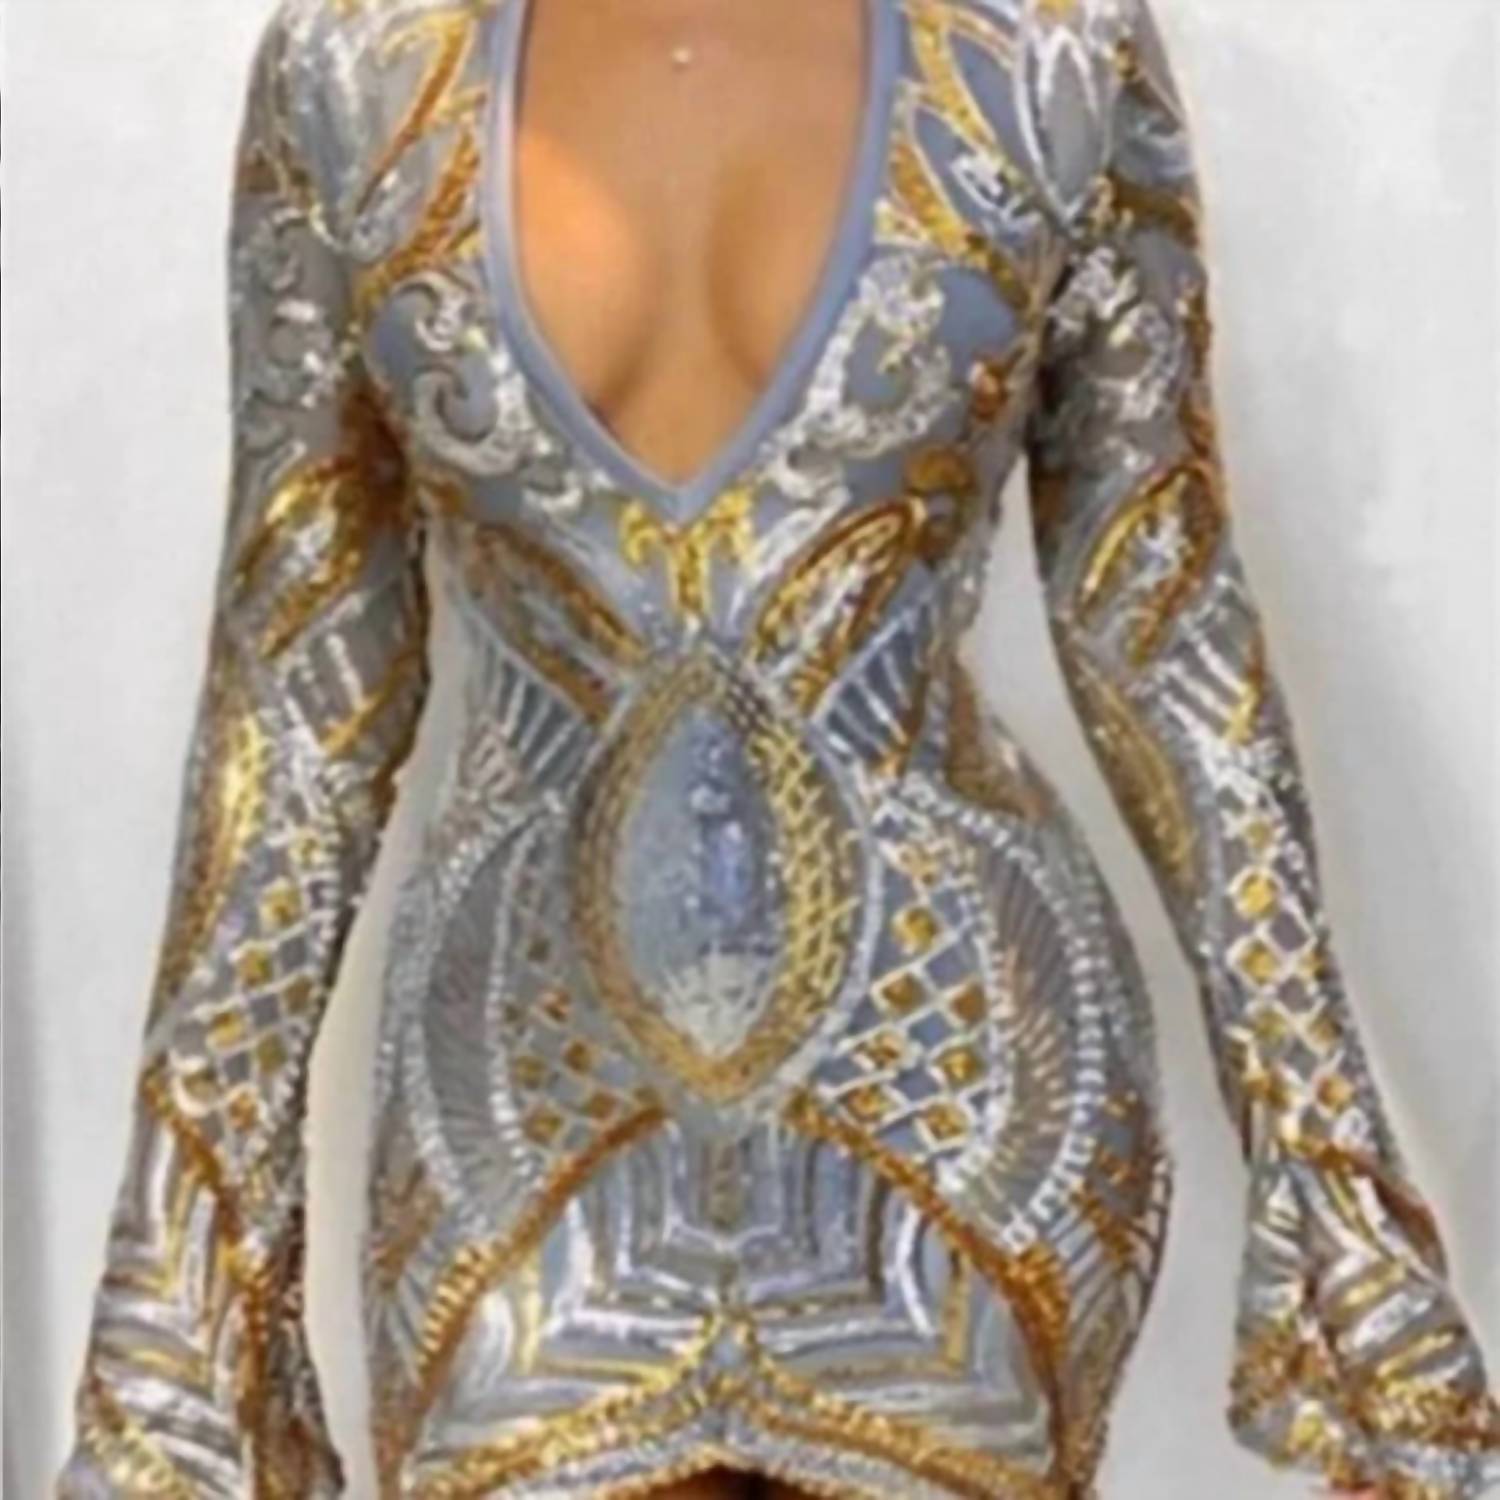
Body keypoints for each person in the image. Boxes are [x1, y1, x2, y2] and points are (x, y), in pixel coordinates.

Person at [55, 0, 1500, 1496]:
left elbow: (1158, 613)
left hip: (959, 1097)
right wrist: (184, 1257)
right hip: (514, 1108)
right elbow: (301, 688)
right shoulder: (356, 68)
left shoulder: (1051, 48)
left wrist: (1331, 1163)